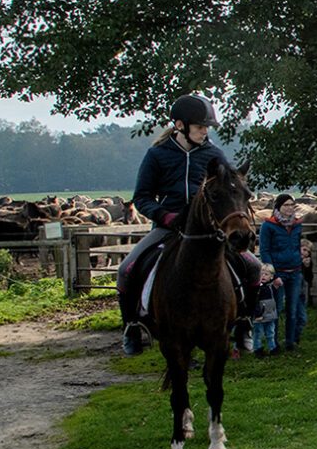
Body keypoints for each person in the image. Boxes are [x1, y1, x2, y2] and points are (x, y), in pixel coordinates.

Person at [118, 94, 256, 356]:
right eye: (200, 127)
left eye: (206, 127)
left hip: (208, 229)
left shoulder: (214, 154)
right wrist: (164, 216)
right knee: (127, 269)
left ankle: (244, 322)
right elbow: (142, 197)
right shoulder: (157, 155)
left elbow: (228, 188)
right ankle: (132, 326)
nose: (205, 132)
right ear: (180, 125)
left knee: (253, 266)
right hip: (167, 226)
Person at [259, 193, 307, 352]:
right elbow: (265, 251)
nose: (289, 208)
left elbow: (297, 245)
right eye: (286, 205)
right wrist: (273, 275)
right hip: (278, 271)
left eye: (292, 205)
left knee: (292, 309)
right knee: (276, 309)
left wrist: (301, 260)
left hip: (295, 271)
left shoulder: (297, 225)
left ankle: (290, 341)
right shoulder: (268, 226)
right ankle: (273, 343)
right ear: (278, 207)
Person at [251, 264, 281, 357]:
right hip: (259, 315)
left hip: (270, 315)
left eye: (266, 274)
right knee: (258, 333)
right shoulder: (257, 288)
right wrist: (257, 314)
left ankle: (272, 348)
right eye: (261, 274)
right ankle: (257, 349)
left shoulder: (271, 287)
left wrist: (273, 276)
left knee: (271, 332)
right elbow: (254, 302)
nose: (263, 276)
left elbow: (279, 283)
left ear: (271, 276)